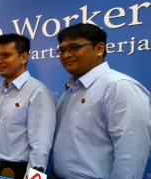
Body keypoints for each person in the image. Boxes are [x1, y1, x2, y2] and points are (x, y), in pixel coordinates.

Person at [51, 23, 151, 179]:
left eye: (75, 47)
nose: (66, 55)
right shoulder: (70, 91)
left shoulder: (119, 87)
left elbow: (131, 156)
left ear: (99, 49)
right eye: (62, 50)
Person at [0, 34, 56, 179]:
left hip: (19, 171)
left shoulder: (39, 92)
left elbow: (41, 147)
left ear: (23, 57)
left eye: (6, 55)